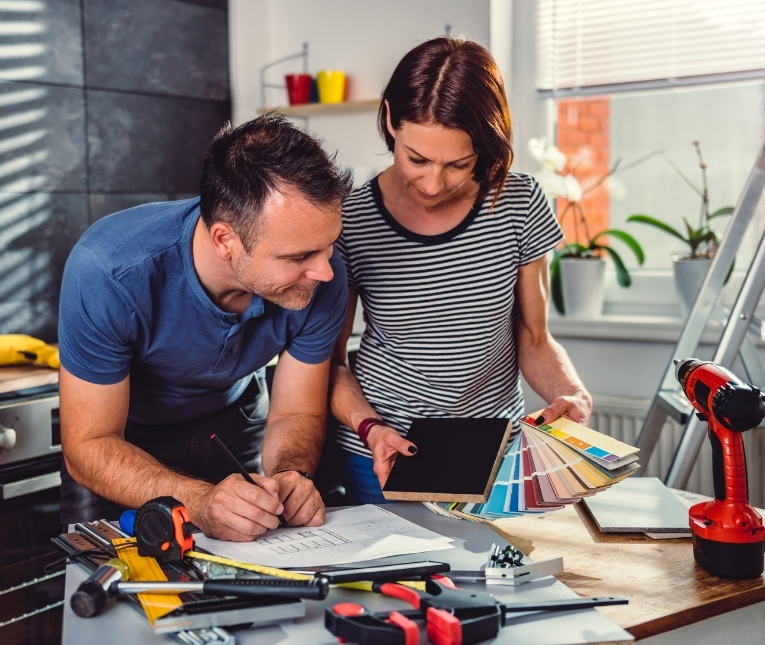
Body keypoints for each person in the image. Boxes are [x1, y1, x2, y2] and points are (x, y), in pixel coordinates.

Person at [59, 114, 353, 540]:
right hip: (124, 444)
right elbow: (89, 444)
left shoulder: (323, 275)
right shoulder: (108, 270)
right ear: (224, 241)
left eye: (329, 246)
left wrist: (292, 476)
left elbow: (295, 411)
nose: (325, 272)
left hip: (234, 426)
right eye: (297, 257)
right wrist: (197, 501)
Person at [329, 38, 592, 504]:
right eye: (417, 159)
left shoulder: (519, 202)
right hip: (381, 450)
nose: (432, 184)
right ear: (390, 120)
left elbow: (534, 339)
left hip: (493, 451)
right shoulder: (351, 218)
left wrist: (571, 394)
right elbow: (333, 363)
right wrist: (370, 429)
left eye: (458, 165)